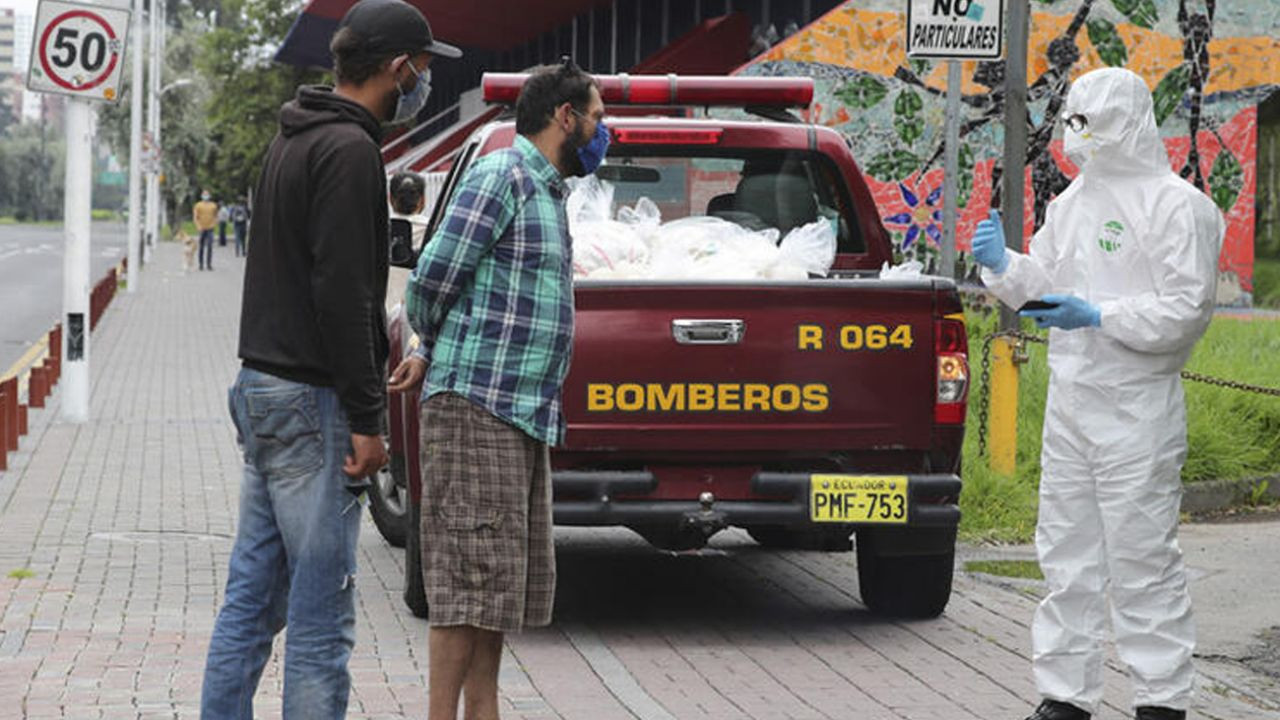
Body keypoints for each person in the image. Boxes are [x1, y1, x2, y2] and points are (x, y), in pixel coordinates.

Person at [199, 0, 459, 716]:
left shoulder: (294, 137)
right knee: (321, 623)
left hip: (264, 387)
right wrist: (369, 421)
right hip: (314, 406)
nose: (424, 84)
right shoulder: (348, 152)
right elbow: (341, 294)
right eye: (424, 69)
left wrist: (380, 355)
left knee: (250, 605)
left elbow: (313, 280)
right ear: (396, 68)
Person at [969, 67, 1224, 720]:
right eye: (1073, 121)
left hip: (1136, 413)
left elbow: (1183, 312)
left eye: (1090, 121)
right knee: (1066, 558)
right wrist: (1004, 267)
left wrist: (1099, 314)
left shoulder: (1178, 207)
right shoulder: (1071, 203)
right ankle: (1065, 697)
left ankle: (1161, 702)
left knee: (1143, 561)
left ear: (1127, 121)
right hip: (1072, 406)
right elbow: (1047, 282)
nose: (1078, 136)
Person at [388, 60, 608, 720]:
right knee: (463, 582)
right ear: (564, 117)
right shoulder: (502, 176)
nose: (603, 133)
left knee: (494, 587)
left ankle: (483, 710)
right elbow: (431, 281)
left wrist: (436, 348)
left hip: (518, 413)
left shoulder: (547, 193)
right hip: (477, 406)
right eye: (597, 118)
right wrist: (432, 344)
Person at [193, 190, 218, 270]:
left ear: (209, 196)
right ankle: (201, 264)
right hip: (201, 228)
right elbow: (195, 217)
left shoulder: (213, 205)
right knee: (201, 247)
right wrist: (198, 226)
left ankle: (209, 264)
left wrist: (214, 224)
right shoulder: (198, 205)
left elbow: (216, 216)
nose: (206, 196)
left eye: (207, 194)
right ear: (202, 196)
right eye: (204, 194)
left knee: (210, 246)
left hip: (210, 228)